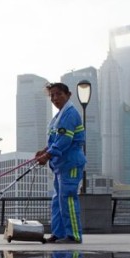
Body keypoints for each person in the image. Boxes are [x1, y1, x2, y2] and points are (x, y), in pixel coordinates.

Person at [35, 82, 86, 244]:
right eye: (52, 95)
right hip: (61, 165)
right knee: (58, 201)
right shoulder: (59, 116)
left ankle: (73, 235)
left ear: (68, 95)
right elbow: (56, 140)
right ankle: (58, 233)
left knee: (68, 198)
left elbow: (64, 140)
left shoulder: (70, 114)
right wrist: (44, 151)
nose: (55, 98)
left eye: (59, 94)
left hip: (70, 162)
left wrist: (47, 155)